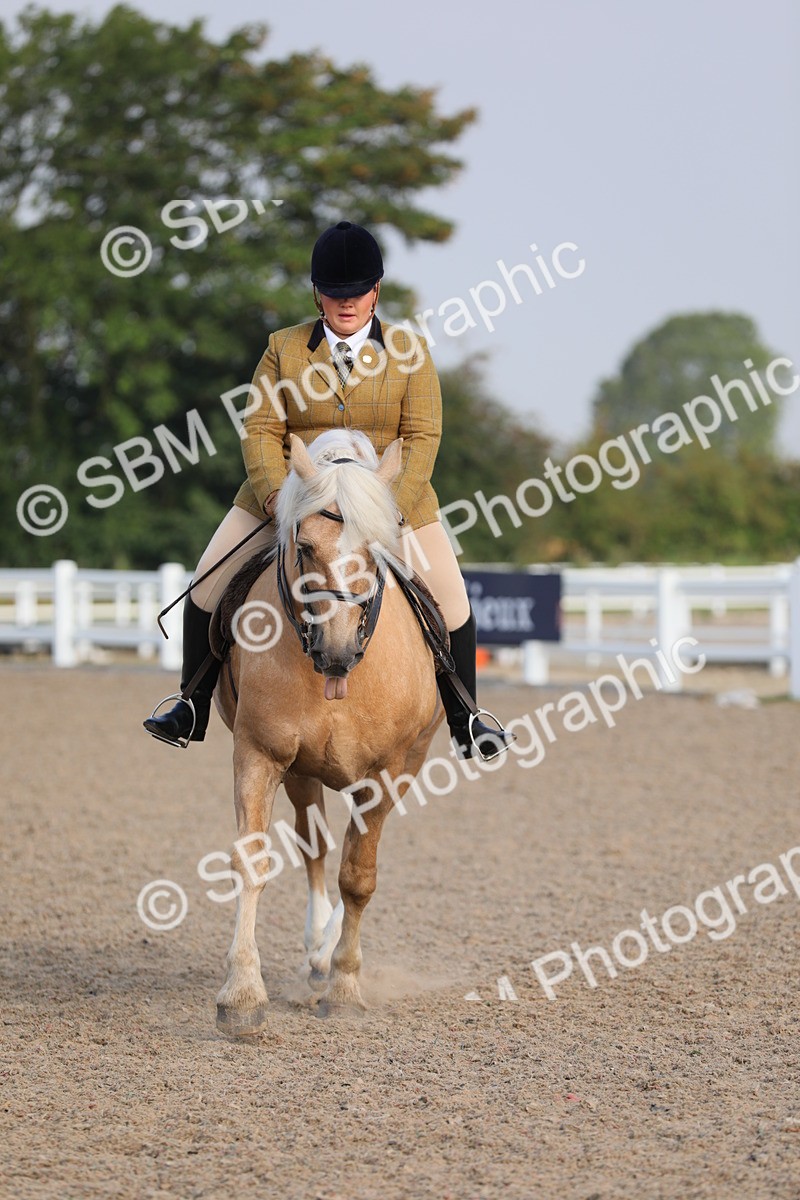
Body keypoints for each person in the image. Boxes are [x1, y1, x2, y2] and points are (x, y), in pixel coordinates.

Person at [143, 220, 512, 760]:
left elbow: (422, 435)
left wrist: (392, 509)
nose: (346, 303)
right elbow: (262, 429)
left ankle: (467, 718)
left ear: (376, 291)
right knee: (204, 584)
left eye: (357, 293)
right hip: (294, 499)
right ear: (317, 292)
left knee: (453, 603)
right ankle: (191, 702)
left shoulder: (410, 351)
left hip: (388, 505)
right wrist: (275, 498)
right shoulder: (283, 349)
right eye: (335, 294)